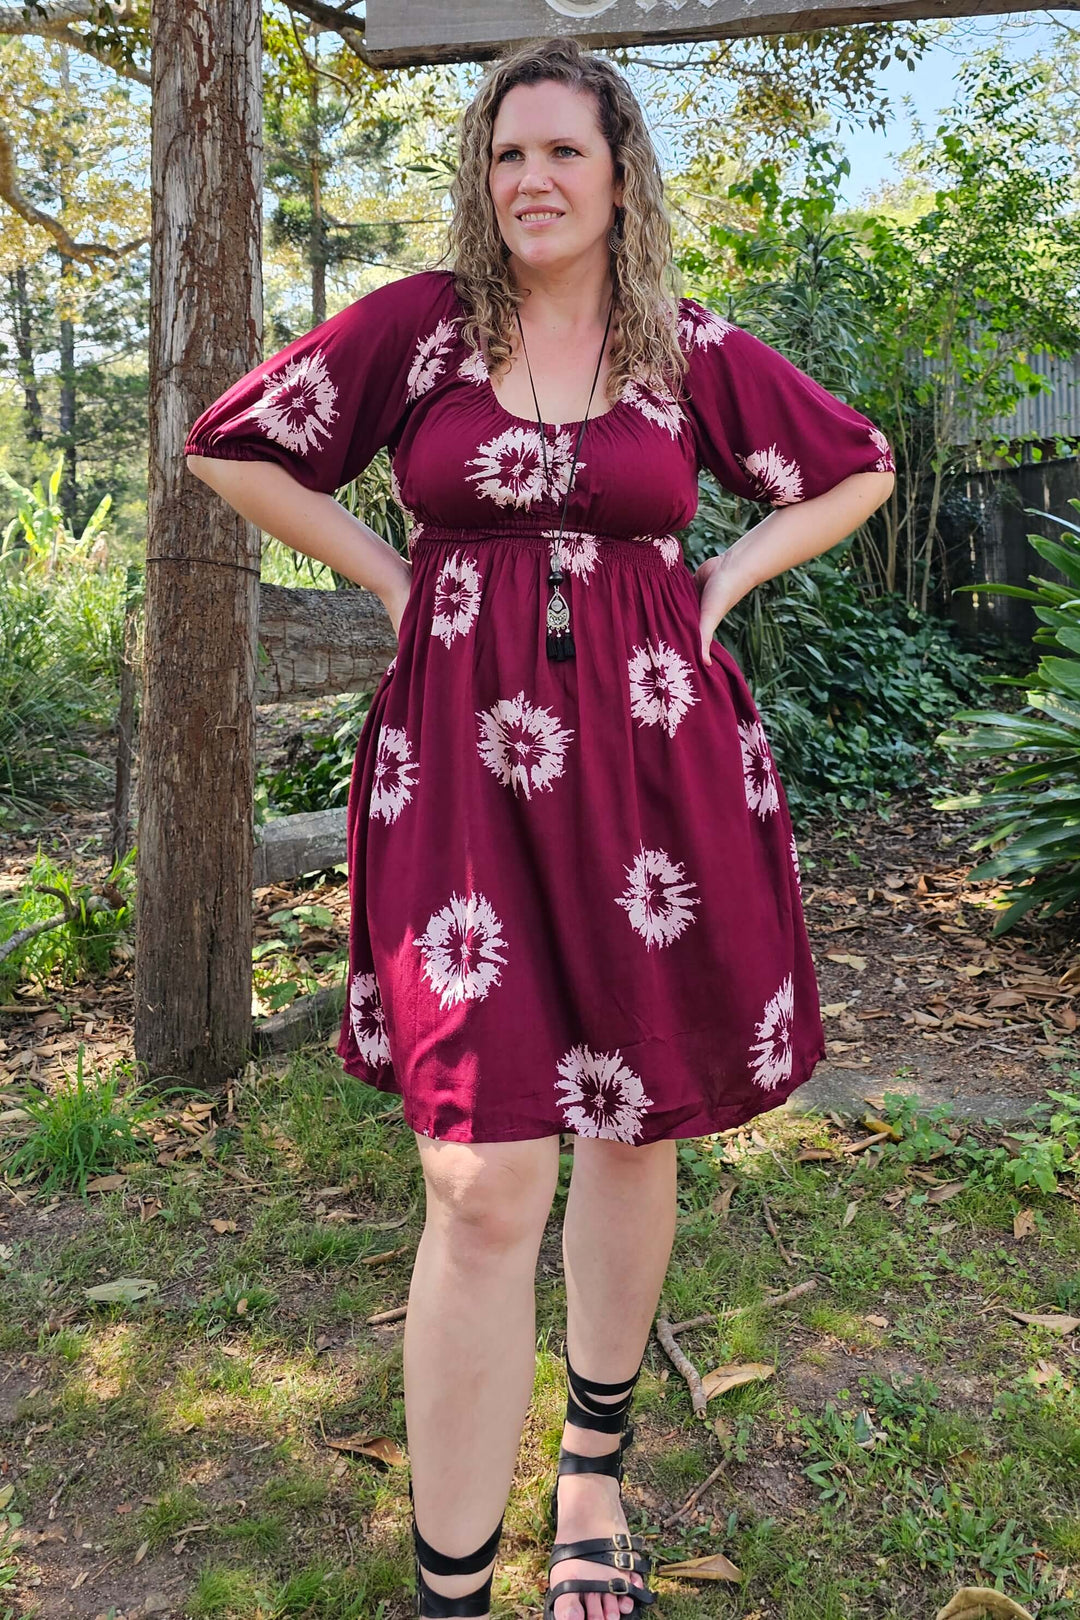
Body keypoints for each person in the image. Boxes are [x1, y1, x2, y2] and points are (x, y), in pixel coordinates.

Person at [185, 33, 895, 1620]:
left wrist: (719, 581)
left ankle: (590, 1472)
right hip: (461, 771)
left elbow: (854, 467)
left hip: (653, 777)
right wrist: (390, 579)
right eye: (509, 155)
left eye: (564, 152)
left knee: (630, 1122)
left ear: (619, 171)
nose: (534, 181)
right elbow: (233, 444)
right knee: (481, 1176)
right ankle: (450, 1585)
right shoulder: (423, 334)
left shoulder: (681, 348)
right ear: (480, 175)